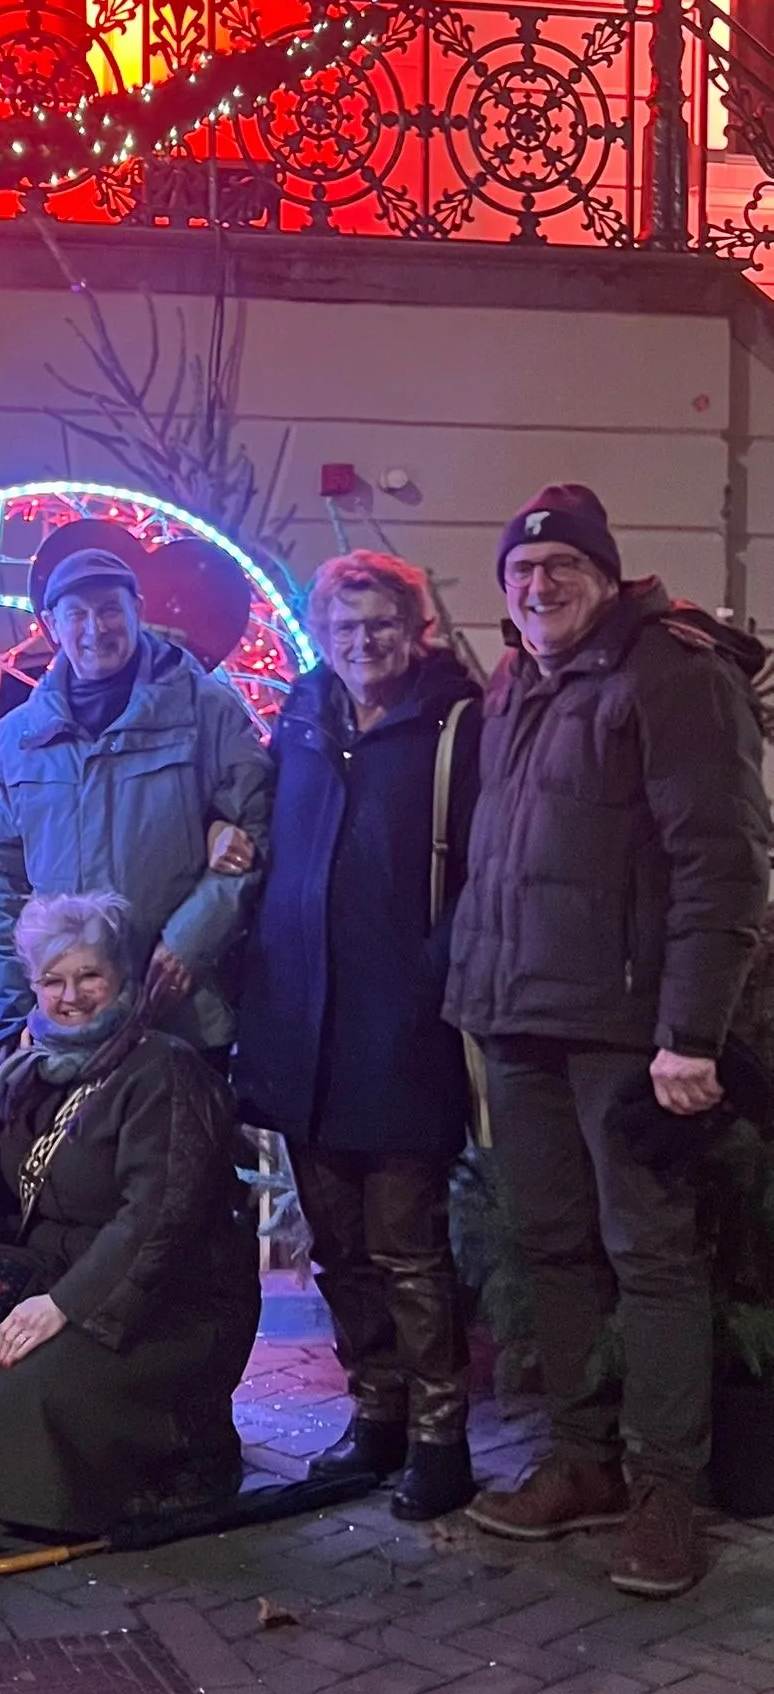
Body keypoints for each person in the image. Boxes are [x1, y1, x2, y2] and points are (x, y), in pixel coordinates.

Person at [446, 483, 770, 1596]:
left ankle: (664, 1487)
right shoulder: (515, 681)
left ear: (605, 573)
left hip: (628, 1031)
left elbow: (722, 863)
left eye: (562, 567)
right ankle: (583, 1459)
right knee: (553, 1244)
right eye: (521, 572)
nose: (539, 586)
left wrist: (692, 1034)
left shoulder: (672, 672)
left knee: (652, 1253)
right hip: (518, 1014)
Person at [233, 552, 482, 1522]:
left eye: (380, 623)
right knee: (338, 1247)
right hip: (303, 1023)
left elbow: (481, 871)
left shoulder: (455, 725)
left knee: (409, 1246)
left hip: (401, 1024)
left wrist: (433, 974)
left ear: (416, 629)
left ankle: (440, 1437)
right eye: (344, 627)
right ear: (321, 636)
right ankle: (375, 1412)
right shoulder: (302, 719)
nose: (362, 642)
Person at [0, 892, 260, 1552]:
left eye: (89, 975)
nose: (71, 996)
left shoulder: (165, 1069)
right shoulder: (28, 1070)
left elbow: (158, 1218)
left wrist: (63, 1305)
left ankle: (180, 1462)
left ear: (122, 975)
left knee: (35, 1387)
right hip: (66, 1270)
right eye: (53, 980)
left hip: (169, 1299)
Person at [0, 544, 272, 1066]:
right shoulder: (18, 737)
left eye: (110, 609)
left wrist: (190, 941)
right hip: (62, 1023)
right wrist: (7, 1017)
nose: (95, 628)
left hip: (181, 1013)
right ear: (51, 625)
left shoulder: (207, 711)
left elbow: (256, 828)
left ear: (137, 610)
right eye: (77, 615)